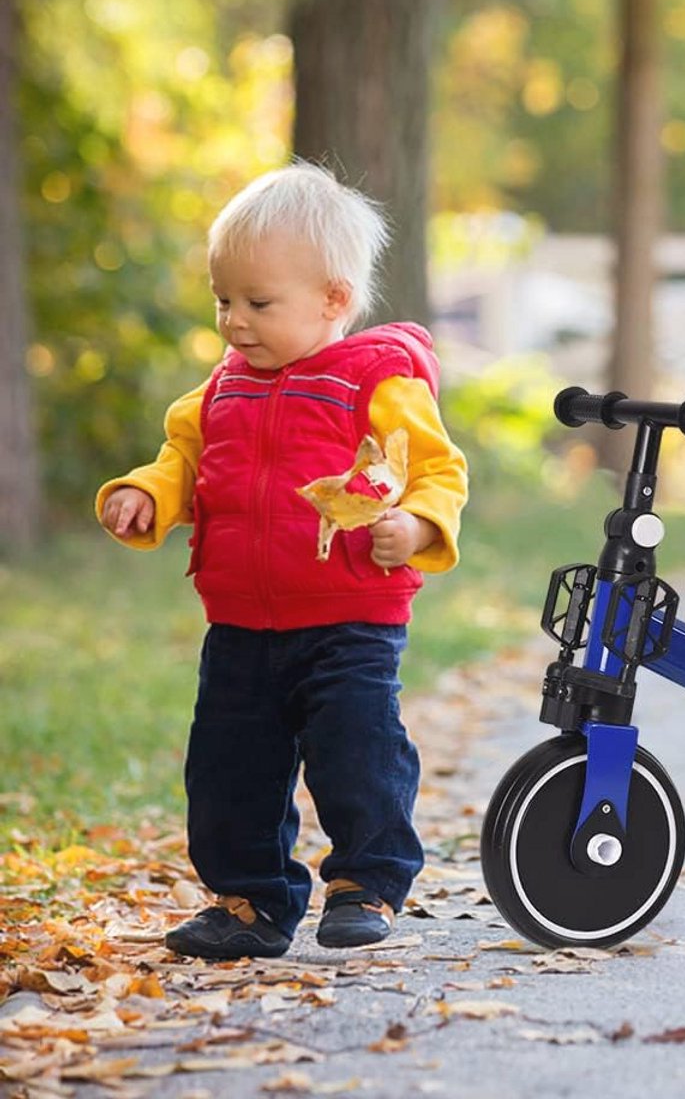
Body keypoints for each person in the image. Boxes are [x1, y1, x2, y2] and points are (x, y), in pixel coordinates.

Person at [96, 162, 468, 959]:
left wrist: (417, 524)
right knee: (228, 772)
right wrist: (146, 496)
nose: (234, 322)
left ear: (333, 300)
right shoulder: (219, 392)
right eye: (224, 301)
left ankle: (366, 882)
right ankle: (250, 902)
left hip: (349, 620)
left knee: (356, 754)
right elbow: (184, 463)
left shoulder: (377, 379)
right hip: (239, 625)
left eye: (258, 304)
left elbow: (438, 470)